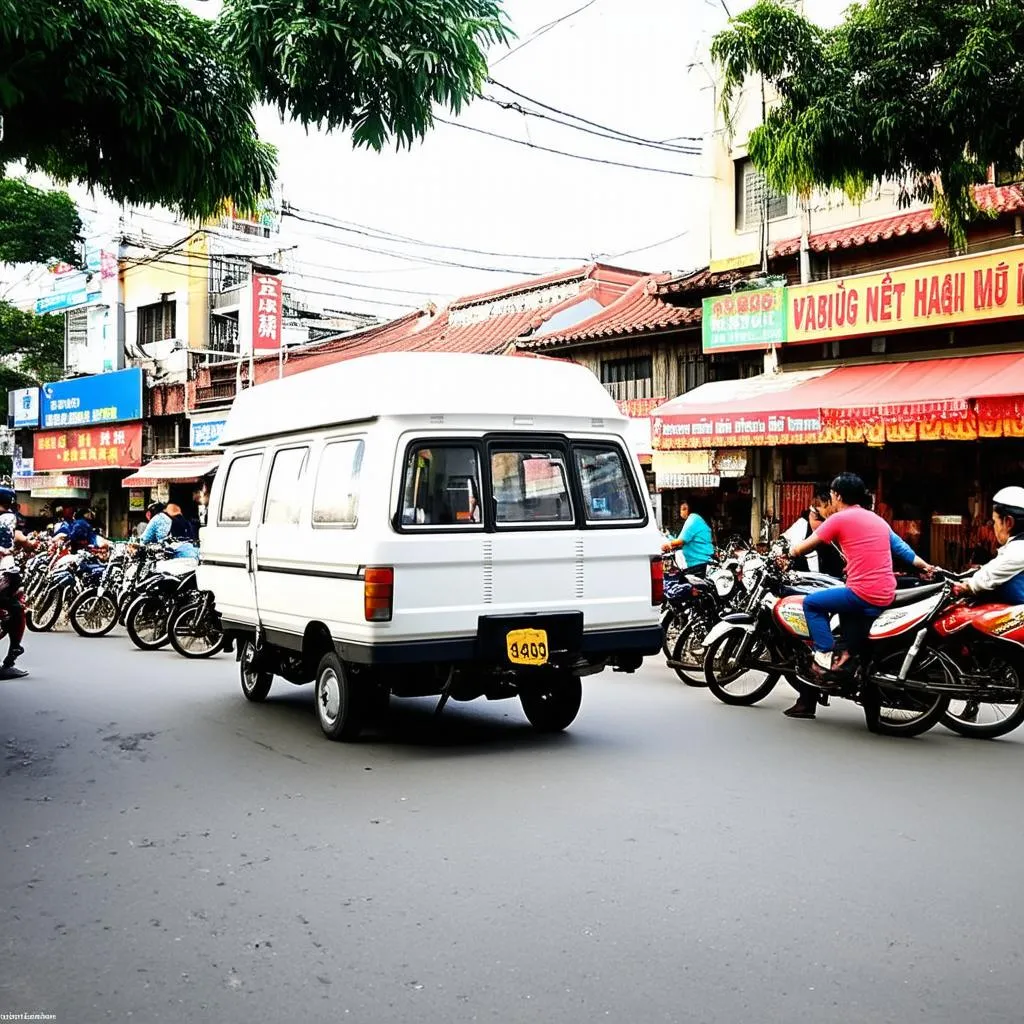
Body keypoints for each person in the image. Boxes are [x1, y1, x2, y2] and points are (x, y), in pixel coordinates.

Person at [785, 472, 934, 718]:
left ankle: (823, 656)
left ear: (837, 496)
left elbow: (805, 546)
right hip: (885, 592)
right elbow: (903, 550)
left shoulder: (839, 518)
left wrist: (788, 552)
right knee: (847, 625)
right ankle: (844, 663)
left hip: (862, 592)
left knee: (811, 604)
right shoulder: (876, 519)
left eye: (831, 495)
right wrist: (925, 566)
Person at [953, 486, 1024, 604]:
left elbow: (986, 577)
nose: (993, 527)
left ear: (1008, 522)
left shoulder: (1019, 549)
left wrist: (963, 586)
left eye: (995, 522)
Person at [0, 486, 30, 679]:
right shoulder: (7, 518)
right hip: (5, 572)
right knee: (17, 609)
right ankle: (12, 654)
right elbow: (16, 540)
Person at [662, 497, 715, 576]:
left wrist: (667, 545)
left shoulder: (693, 519)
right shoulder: (696, 519)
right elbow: (680, 540)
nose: (683, 512)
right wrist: (668, 537)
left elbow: (680, 541)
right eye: (682, 509)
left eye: (685, 509)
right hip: (699, 563)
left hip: (699, 564)